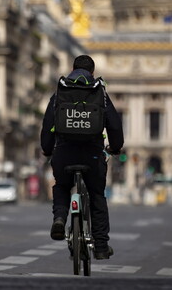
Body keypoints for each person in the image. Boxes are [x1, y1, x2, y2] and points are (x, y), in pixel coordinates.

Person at [40, 54, 124, 260]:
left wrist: (47, 149)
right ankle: (102, 246)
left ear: (72, 68)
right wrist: (115, 147)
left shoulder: (60, 92)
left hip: (64, 152)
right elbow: (114, 125)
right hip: (92, 154)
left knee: (61, 186)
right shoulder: (100, 93)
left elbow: (48, 126)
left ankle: (60, 218)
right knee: (96, 195)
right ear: (92, 72)